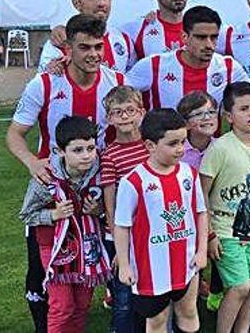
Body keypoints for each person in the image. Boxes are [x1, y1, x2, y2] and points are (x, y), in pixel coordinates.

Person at [7, 14, 125, 333]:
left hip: (93, 200)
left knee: (86, 281)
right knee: (42, 276)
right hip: (51, 196)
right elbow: (14, 134)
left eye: (98, 47)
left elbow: (124, 132)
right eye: (84, 47)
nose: (93, 54)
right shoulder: (45, 83)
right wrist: (33, 162)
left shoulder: (114, 82)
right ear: (67, 49)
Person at [114, 108, 208, 333]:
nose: (180, 149)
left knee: (189, 313)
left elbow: (201, 213)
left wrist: (202, 250)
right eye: (173, 143)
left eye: (183, 142)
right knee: (157, 321)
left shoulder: (189, 174)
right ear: (150, 145)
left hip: (187, 263)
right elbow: (122, 226)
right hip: (150, 268)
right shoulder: (134, 181)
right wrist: (125, 265)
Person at [18, 116, 110, 333]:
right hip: (54, 246)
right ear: (60, 151)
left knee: (81, 304)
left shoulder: (101, 170)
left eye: (90, 148)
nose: (87, 155)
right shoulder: (46, 176)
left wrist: (99, 211)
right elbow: (27, 215)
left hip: (88, 246)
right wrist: (53, 214)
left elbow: (111, 207)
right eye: (77, 150)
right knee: (62, 306)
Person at [201, 82, 250, 333]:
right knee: (239, 286)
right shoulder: (220, 148)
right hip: (224, 230)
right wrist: (209, 234)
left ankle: (243, 329)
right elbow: (201, 194)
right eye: (244, 109)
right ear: (229, 116)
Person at [126, 5, 249, 110]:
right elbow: (119, 93)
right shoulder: (154, 65)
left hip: (213, 139)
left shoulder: (229, 67)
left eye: (214, 37)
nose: (209, 45)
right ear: (184, 37)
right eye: (201, 37)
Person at [99, 85, 148, 332]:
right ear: (109, 118)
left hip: (148, 232)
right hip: (121, 234)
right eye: (118, 112)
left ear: (142, 112)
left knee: (147, 292)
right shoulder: (109, 155)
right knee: (124, 298)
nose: (125, 116)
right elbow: (110, 203)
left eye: (130, 110)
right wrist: (119, 245)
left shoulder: (150, 147)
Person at [40, 0, 134, 74]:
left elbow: (131, 83)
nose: (101, 3)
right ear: (77, 4)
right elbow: (44, 86)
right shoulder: (59, 42)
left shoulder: (124, 40)